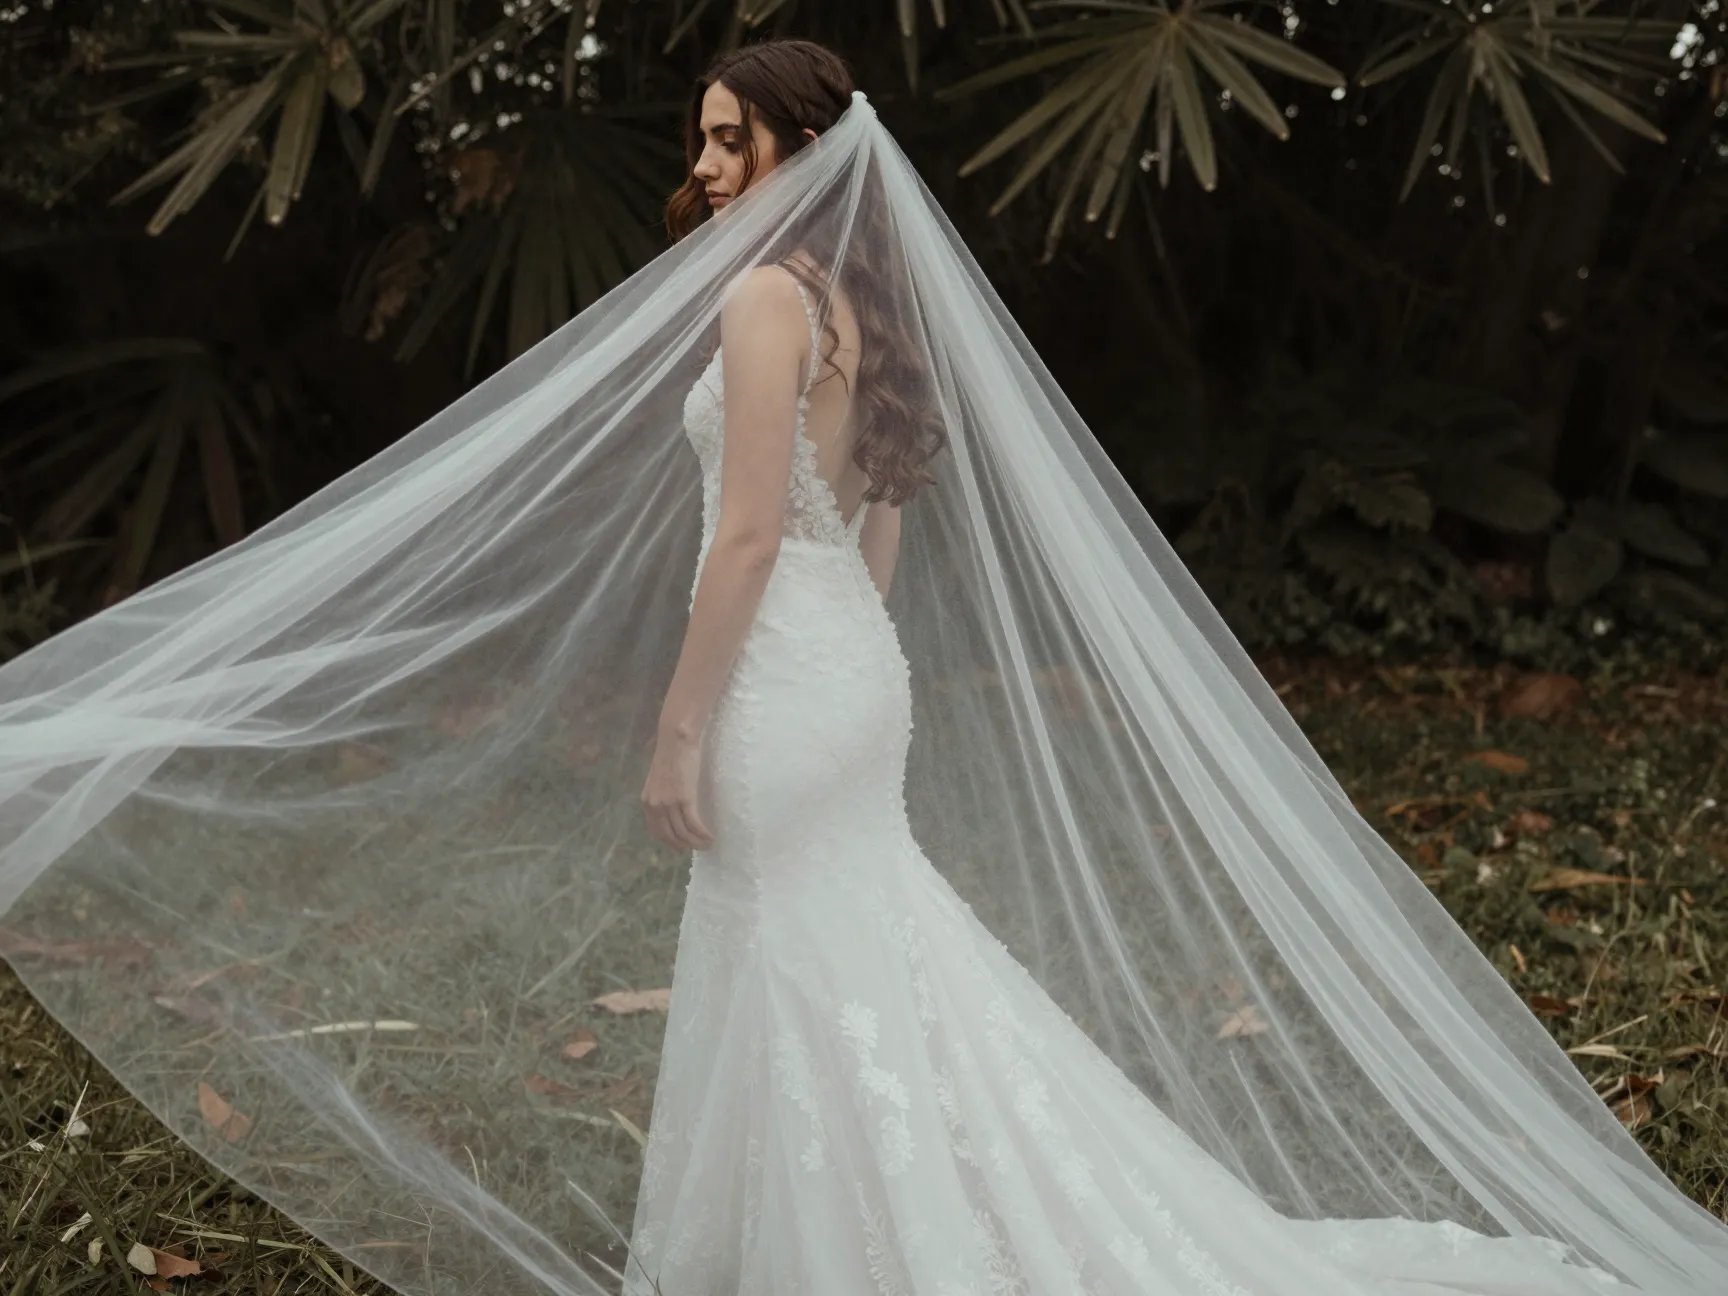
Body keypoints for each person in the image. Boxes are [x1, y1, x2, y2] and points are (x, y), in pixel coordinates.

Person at [2, 34, 1726, 1296]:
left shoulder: (763, 306)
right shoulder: (859, 310)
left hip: (778, 678)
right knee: (853, 956)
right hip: (851, 674)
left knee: (807, 956)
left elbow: (749, 536)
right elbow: (866, 526)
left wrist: (682, 729)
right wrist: (835, 668)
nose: (709, 167)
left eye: (735, 141)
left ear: (808, 146)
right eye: (704, 141)